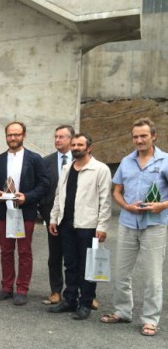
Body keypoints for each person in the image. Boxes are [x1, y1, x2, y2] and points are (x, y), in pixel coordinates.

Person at [101, 118, 168, 336]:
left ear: (153, 136)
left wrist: (161, 205)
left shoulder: (165, 161)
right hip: (128, 223)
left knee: (152, 276)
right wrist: (125, 206)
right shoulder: (126, 161)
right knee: (121, 272)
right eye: (135, 136)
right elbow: (117, 192)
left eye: (143, 136)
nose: (138, 140)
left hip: (154, 226)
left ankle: (150, 319)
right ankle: (122, 312)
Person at [47, 134, 111, 320]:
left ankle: (85, 303)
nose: (76, 147)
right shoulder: (67, 168)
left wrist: (102, 226)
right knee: (70, 264)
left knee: (87, 266)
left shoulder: (100, 169)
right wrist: (53, 218)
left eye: (80, 144)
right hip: (66, 223)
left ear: (89, 148)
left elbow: (105, 201)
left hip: (88, 225)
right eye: (73, 144)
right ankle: (70, 299)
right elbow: (59, 195)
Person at [0, 121, 49, 305]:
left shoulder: (34, 159)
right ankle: (7, 287)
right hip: (4, 212)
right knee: (6, 251)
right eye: (10, 135)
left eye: (16, 134)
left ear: (24, 135)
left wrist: (28, 196)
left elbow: (44, 183)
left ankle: (22, 289)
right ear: (6, 136)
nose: (13, 138)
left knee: (24, 251)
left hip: (25, 211)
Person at [38, 125, 74, 305]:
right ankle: (55, 291)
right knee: (54, 257)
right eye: (56, 137)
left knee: (77, 257)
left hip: (77, 219)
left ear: (71, 139)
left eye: (62, 137)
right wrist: (47, 215)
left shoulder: (82, 159)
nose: (57, 140)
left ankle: (81, 292)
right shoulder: (46, 162)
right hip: (53, 219)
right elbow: (42, 190)